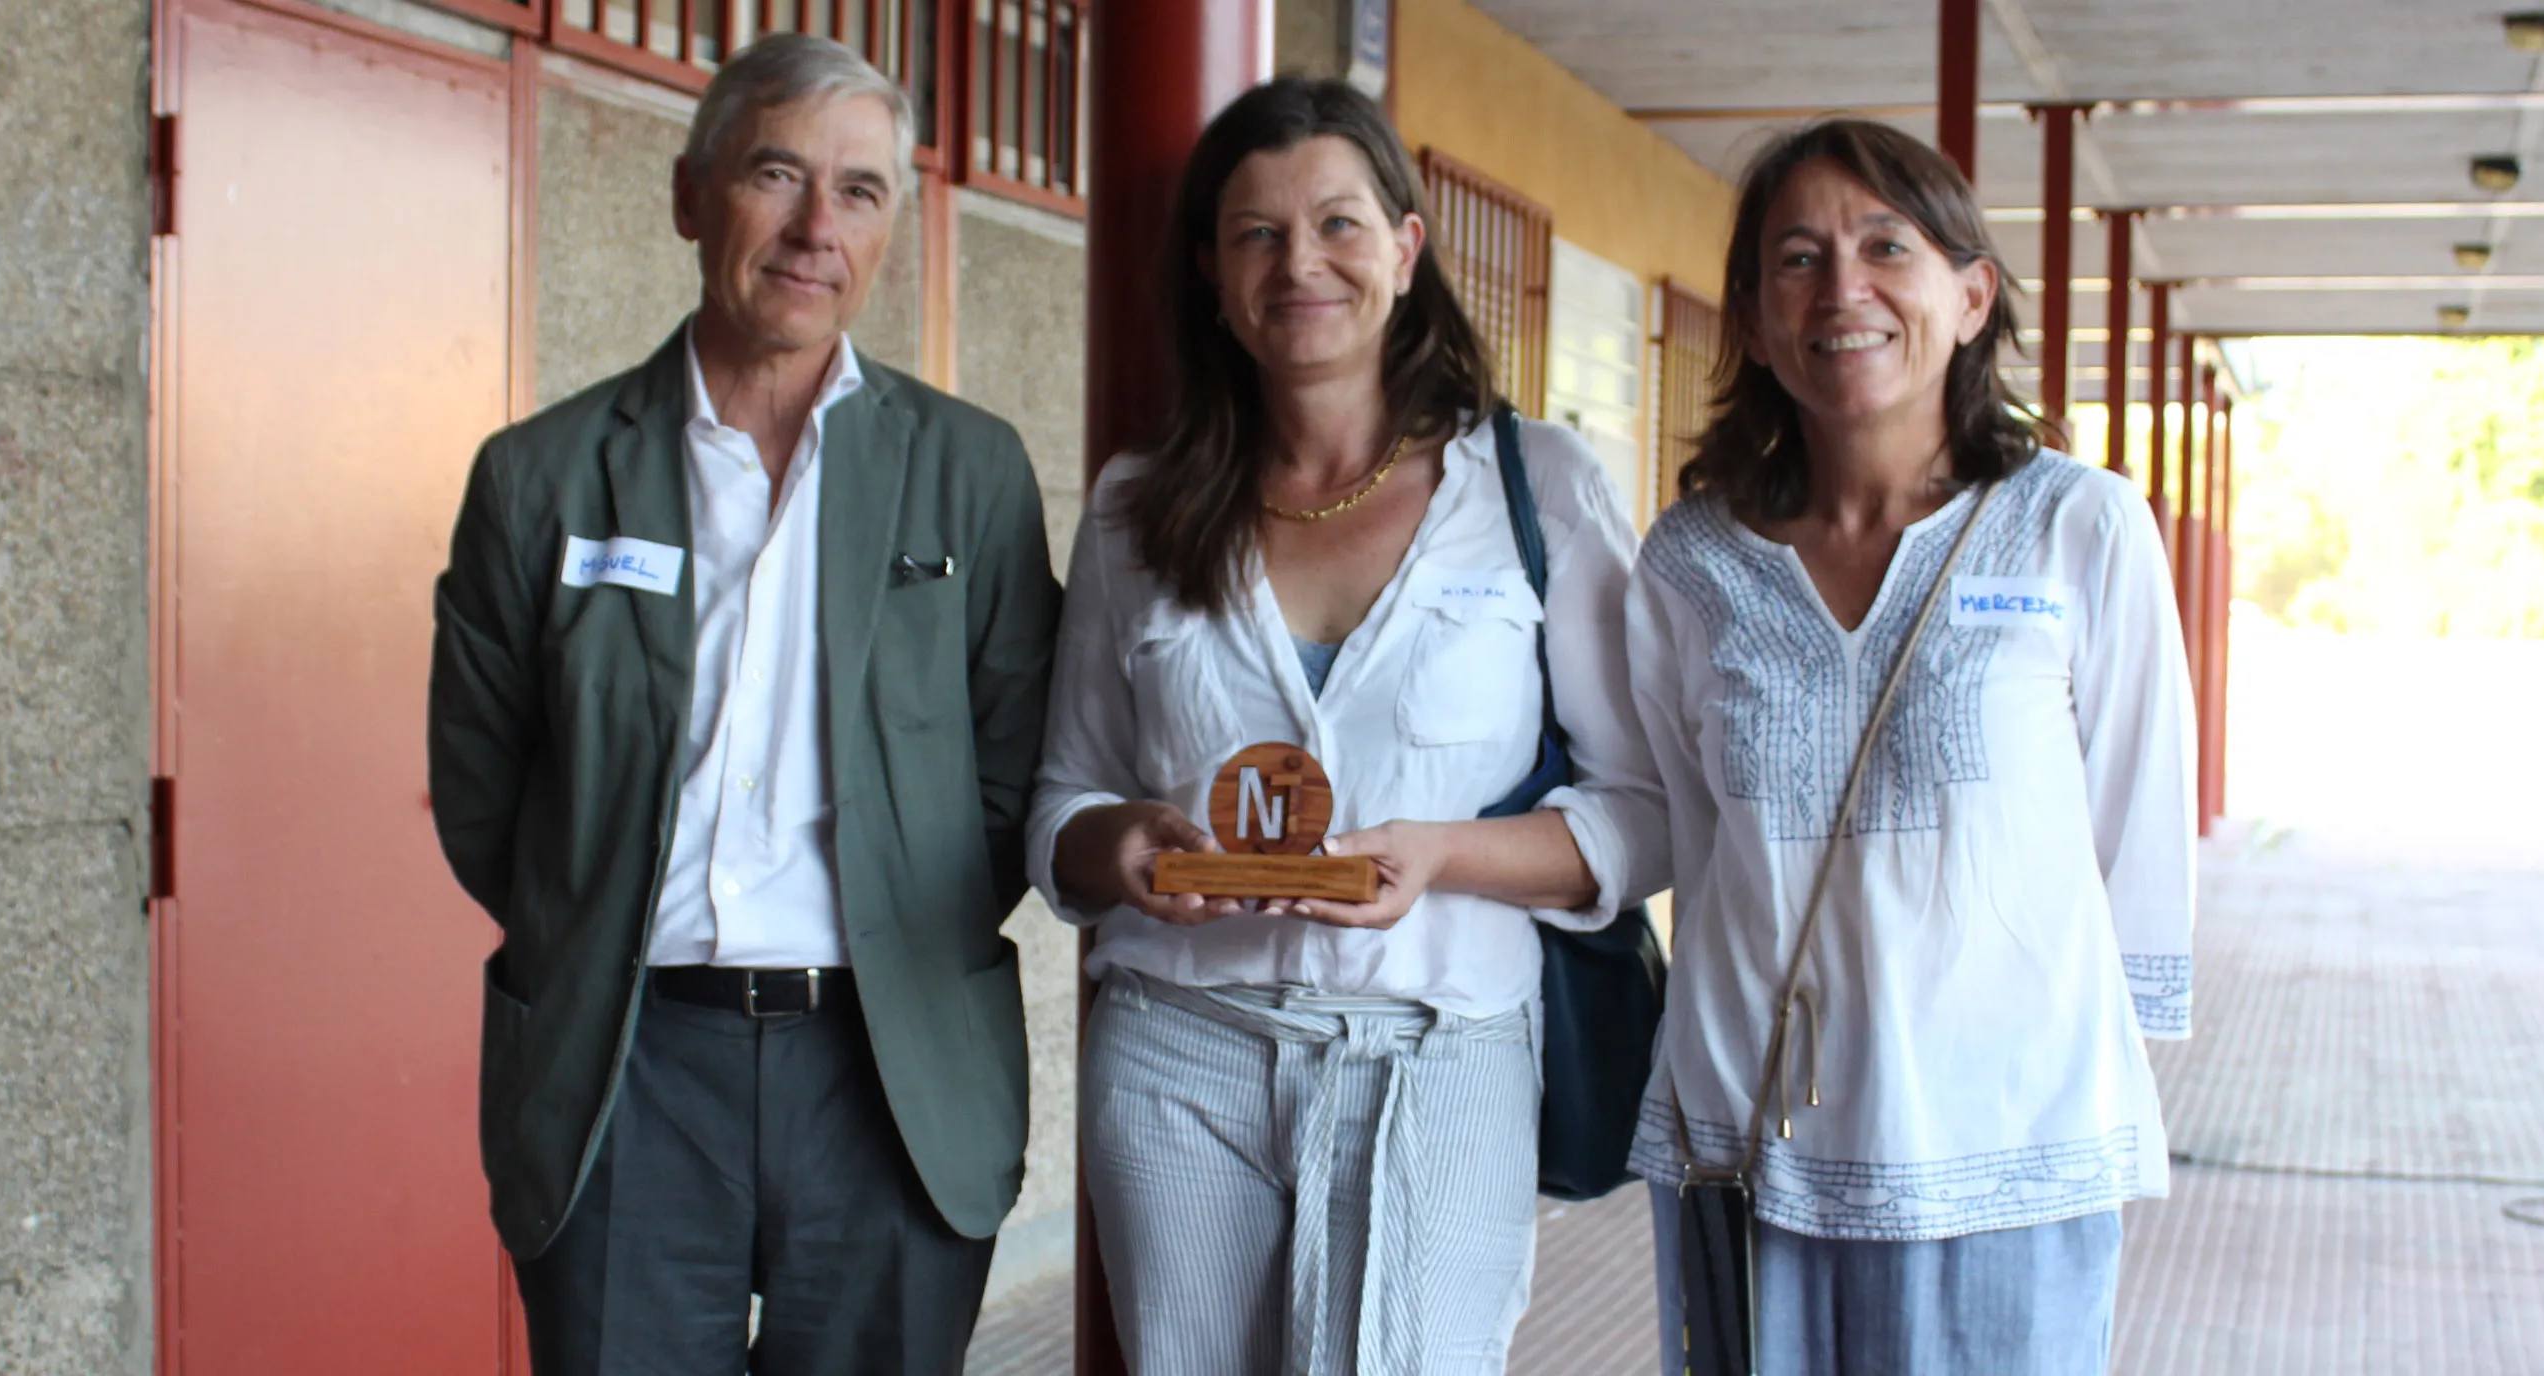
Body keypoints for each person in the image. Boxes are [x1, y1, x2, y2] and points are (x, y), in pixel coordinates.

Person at [425, 33, 1058, 1376]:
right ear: (690, 195)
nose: (818, 227)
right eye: (779, 174)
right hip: (627, 1067)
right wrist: (596, 923)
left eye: (863, 190)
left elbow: (1015, 779)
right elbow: (485, 796)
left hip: (889, 1075)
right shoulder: (540, 480)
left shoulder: (971, 475)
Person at [1028, 78, 1663, 1375]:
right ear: (1211, 270)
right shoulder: (1138, 508)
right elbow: (1061, 800)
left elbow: (1646, 815)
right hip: (1178, 1051)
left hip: (1439, 1051)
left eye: (1338, 224)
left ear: (1407, 250)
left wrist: (1439, 854)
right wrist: (1126, 847)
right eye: (1256, 232)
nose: (1299, 262)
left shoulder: (1536, 489)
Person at [1625, 117, 2195, 1375]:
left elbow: (2134, 824)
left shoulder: (2077, 527)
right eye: (1797, 259)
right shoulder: (1691, 561)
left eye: (1888, 246)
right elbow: (1682, 824)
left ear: (1971, 293)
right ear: (1757, 319)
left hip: (2001, 1136)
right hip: (1751, 1134)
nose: (1844, 290)